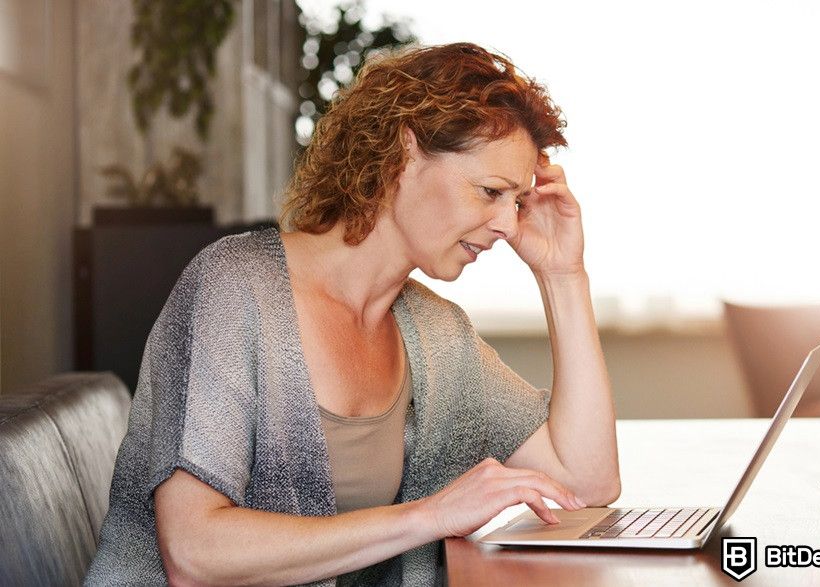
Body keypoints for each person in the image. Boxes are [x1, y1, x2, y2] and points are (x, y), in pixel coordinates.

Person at [85, 42, 619, 586]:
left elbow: (587, 482)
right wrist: (430, 515)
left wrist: (563, 275)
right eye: (490, 192)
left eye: (517, 201)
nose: (508, 224)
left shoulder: (435, 336)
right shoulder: (236, 287)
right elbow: (195, 554)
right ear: (404, 155)